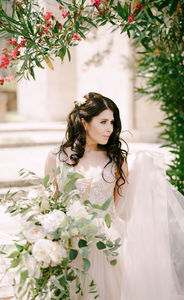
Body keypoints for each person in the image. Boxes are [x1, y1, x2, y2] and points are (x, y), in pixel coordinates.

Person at [45, 92, 184, 300]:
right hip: (68, 243)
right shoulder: (57, 157)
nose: (110, 128)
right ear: (84, 122)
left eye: (112, 121)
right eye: (103, 121)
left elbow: (123, 208)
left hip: (107, 245)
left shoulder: (117, 159)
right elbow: (48, 203)